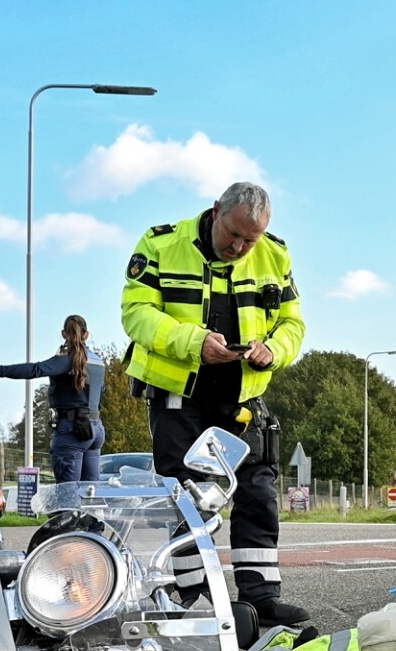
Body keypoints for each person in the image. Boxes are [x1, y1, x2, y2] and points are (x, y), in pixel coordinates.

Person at [121, 181, 307, 624]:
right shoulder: (161, 244)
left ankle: (259, 597)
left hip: (242, 394)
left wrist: (274, 350)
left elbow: (292, 323)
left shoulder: (276, 255)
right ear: (216, 210)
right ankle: (189, 593)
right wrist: (195, 342)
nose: (240, 247)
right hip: (179, 392)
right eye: (234, 235)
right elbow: (136, 313)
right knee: (185, 496)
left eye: (251, 240)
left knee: (258, 489)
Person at [0, 314, 103, 481]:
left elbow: (36, 369)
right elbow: (101, 391)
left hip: (72, 431)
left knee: (67, 496)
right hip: (96, 429)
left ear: (64, 334)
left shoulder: (65, 360)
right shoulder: (98, 361)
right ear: (87, 335)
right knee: (90, 494)